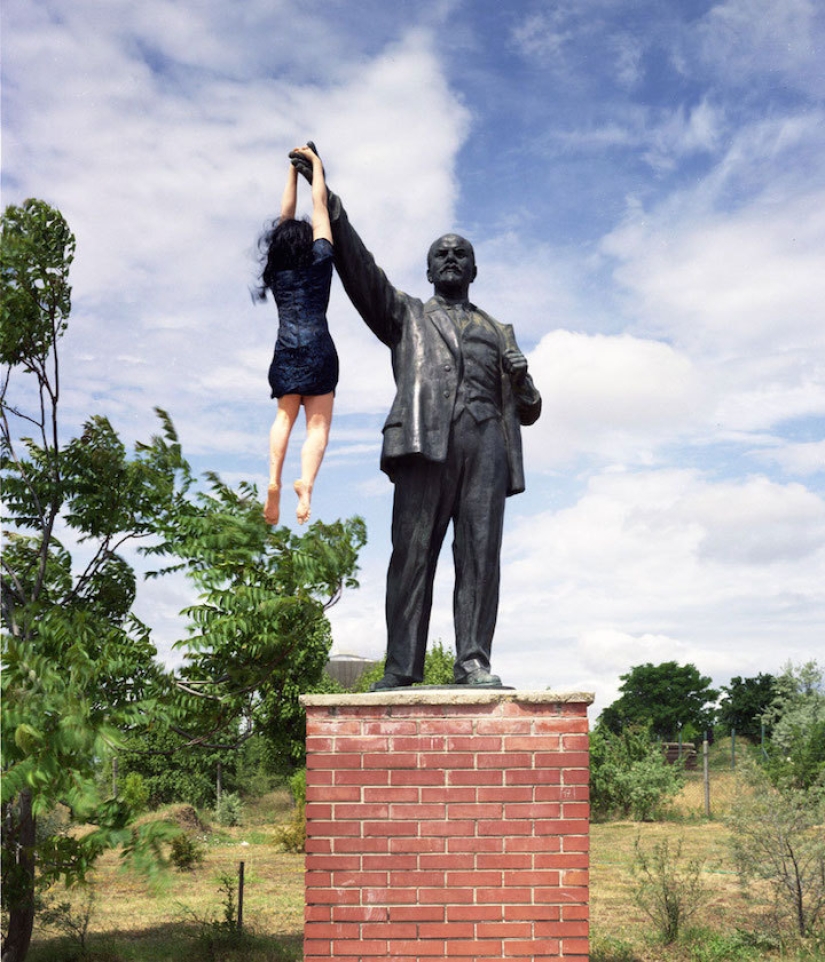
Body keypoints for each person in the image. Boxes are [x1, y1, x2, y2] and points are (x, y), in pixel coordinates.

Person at [291, 146, 542, 689]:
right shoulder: (405, 314)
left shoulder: (501, 331)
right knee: (412, 555)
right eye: (441, 254)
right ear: (428, 269)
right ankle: (402, 667)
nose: (451, 259)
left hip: (487, 449)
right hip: (423, 443)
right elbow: (359, 271)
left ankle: (473, 661)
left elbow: (530, 410)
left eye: (460, 254)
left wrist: (522, 378)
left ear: (474, 269)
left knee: (480, 558)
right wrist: (326, 203)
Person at [258, 145, 337, 526]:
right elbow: (319, 206)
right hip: (320, 348)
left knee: (283, 418)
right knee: (317, 426)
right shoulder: (321, 262)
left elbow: (284, 217)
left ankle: (273, 480)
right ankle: (305, 482)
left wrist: (291, 171)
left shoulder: (277, 272)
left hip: (286, 348)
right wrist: (316, 167)